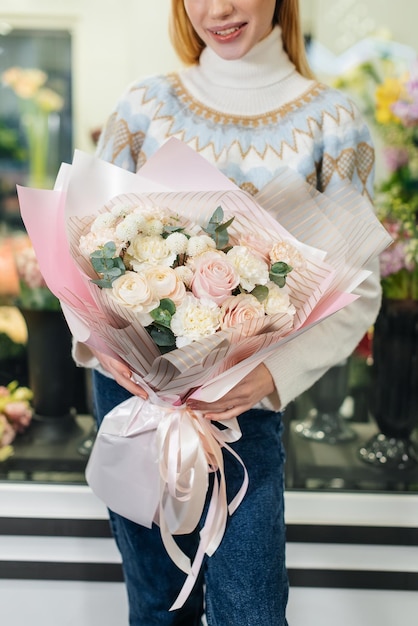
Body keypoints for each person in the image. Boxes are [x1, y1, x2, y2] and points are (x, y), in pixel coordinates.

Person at [74, 1, 381, 624]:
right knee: (158, 605)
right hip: (133, 399)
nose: (218, 9)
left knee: (252, 609)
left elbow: (362, 287)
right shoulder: (144, 105)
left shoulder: (331, 121)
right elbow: (81, 248)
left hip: (245, 410)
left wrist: (269, 378)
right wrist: (104, 349)